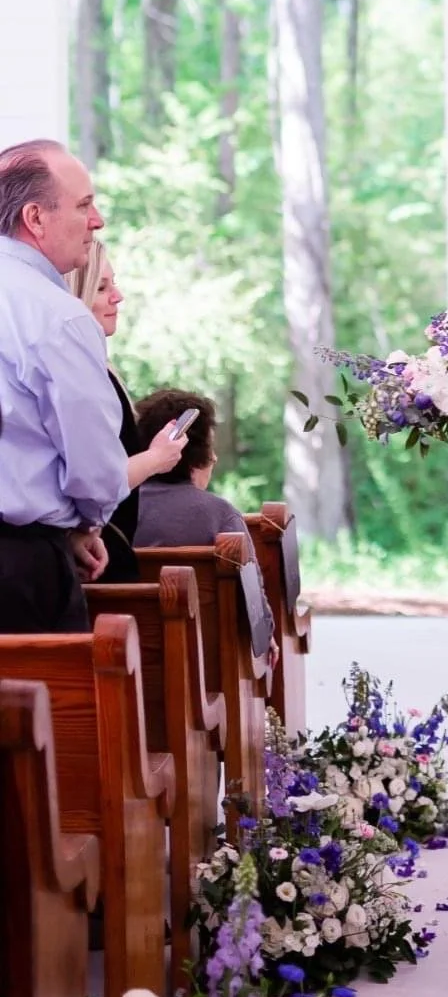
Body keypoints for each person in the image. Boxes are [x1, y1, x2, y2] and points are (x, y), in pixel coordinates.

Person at [0, 140, 128, 631]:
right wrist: (86, 521)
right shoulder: (58, 317)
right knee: (47, 684)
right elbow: (95, 468)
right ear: (35, 218)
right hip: (21, 572)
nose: (97, 221)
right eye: (83, 205)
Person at [66, 243, 186, 576]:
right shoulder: (82, 374)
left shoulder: (100, 369)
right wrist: (157, 458)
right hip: (100, 556)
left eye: (114, 284)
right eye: (102, 288)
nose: (117, 297)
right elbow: (99, 480)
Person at [132, 389, 252, 547]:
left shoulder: (110, 511)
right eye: (210, 447)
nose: (214, 458)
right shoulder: (222, 516)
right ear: (198, 455)